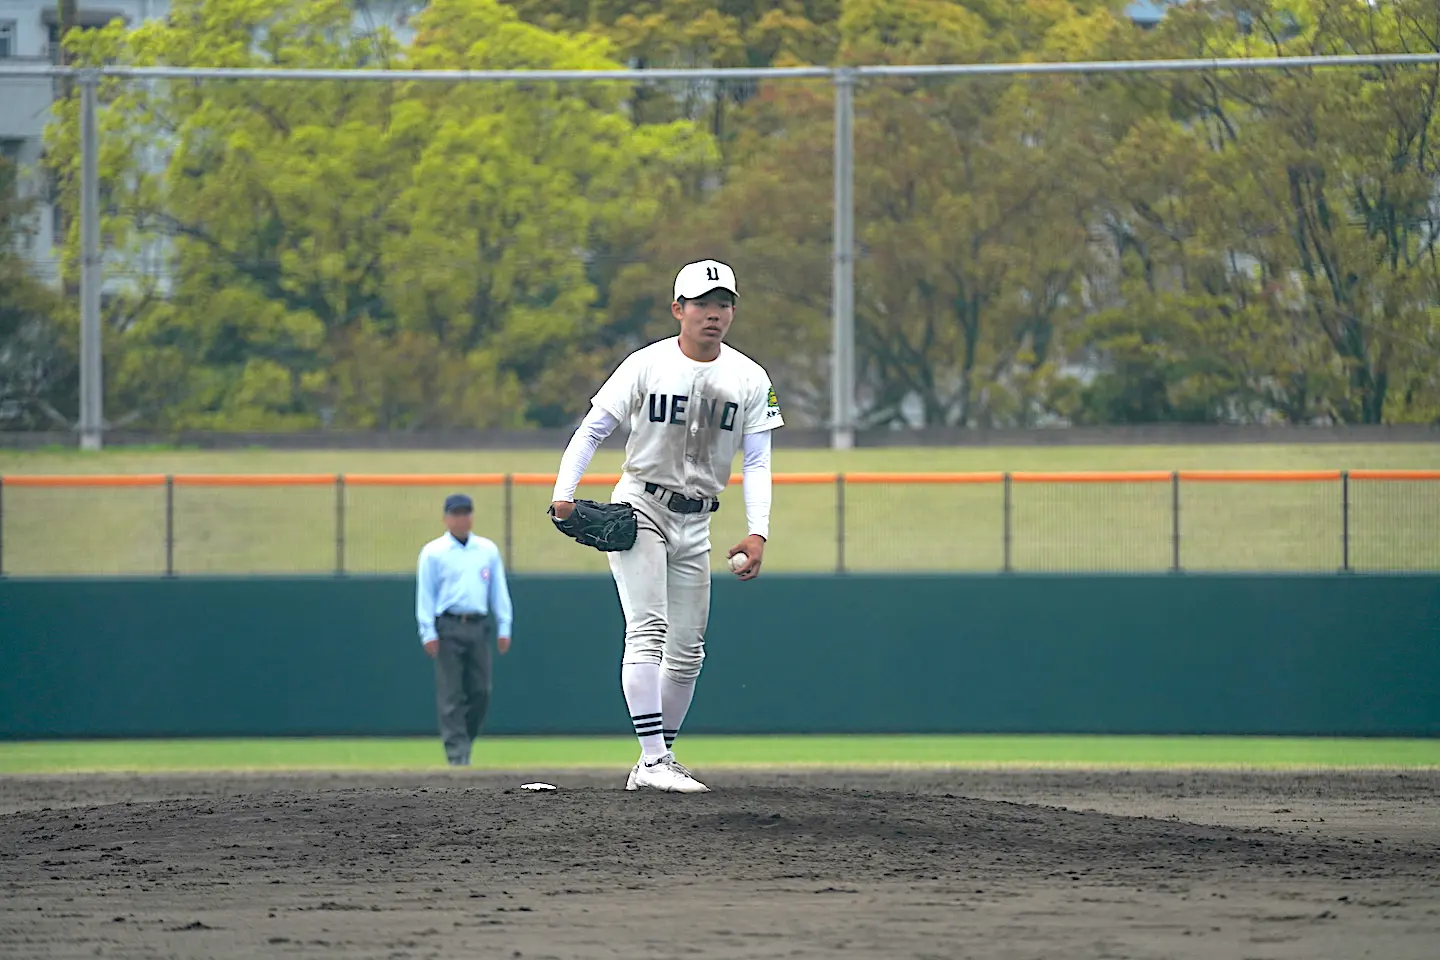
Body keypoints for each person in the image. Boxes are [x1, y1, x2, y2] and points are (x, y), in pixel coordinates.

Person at [549, 259, 783, 793]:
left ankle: (656, 759)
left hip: (699, 518)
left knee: (689, 649)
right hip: (642, 506)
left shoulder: (749, 377)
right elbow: (592, 432)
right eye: (702, 304)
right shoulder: (646, 365)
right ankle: (653, 760)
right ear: (678, 309)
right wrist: (564, 495)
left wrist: (758, 530)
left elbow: (758, 461)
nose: (714, 314)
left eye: (724, 303)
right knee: (648, 630)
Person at [415, 493, 513, 767]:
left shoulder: (486, 551)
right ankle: (456, 753)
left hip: (478, 625)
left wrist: (504, 625)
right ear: (446, 518)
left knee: (481, 691)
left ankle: (465, 739)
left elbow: (498, 591)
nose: (462, 518)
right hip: (448, 625)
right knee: (451, 692)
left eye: (466, 513)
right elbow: (425, 594)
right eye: (456, 514)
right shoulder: (433, 553)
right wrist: (428, 632)